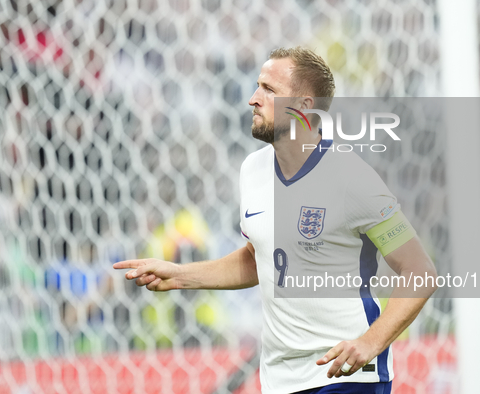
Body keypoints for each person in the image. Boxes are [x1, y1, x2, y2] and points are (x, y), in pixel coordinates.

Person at [114, 46, 437, 394]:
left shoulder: (353, 179)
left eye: (269, 90)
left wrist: (371, 343)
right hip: (279, 381)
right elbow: (259, 258)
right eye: (257, 86)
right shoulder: (252, 171)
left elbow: (419, 270)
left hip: (345, 377)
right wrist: (180, 275)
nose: (253, 98)